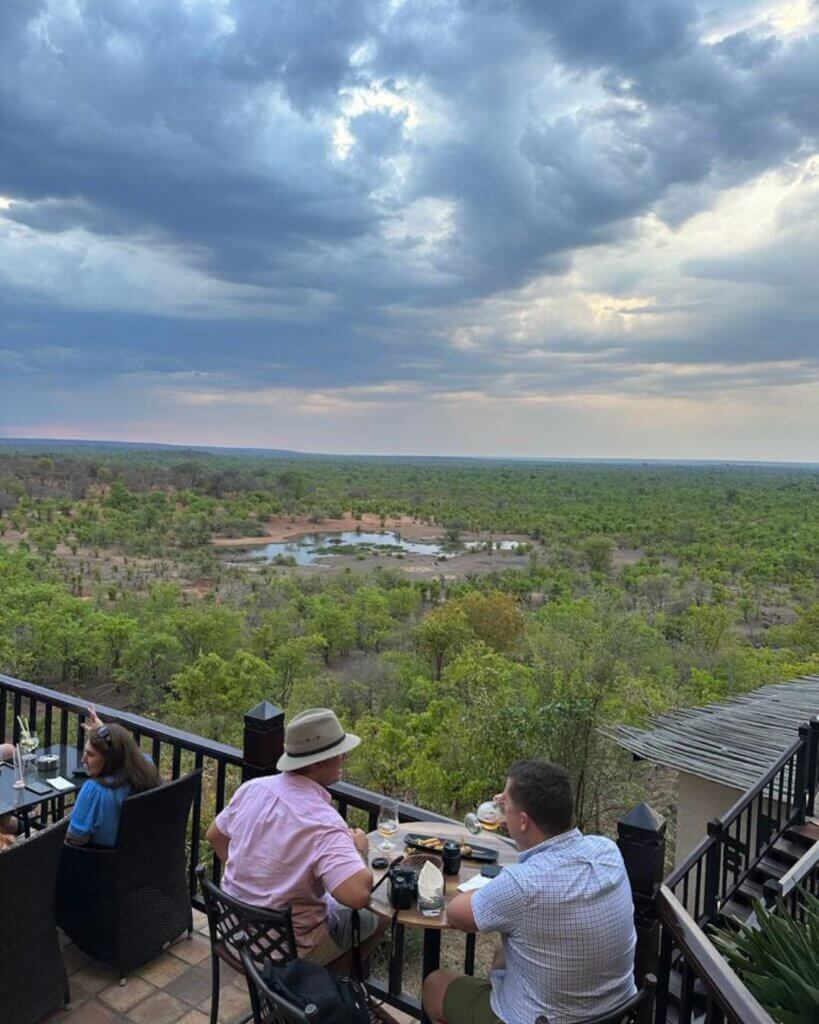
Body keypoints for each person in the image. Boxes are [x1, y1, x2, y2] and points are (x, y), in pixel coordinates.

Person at [423, 760, 637, 1024]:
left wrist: (491, 886)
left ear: (523, 822)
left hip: (543, 1020)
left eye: (506, 803)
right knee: (503, 953)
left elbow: (456, 913)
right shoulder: (607, 851)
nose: (499, 805)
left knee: (435, 985)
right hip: (616, 1014)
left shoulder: (523, 884)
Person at [206, 707, 388, 972]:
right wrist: (358, 851)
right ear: (317, 762)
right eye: (339, 752)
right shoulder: (323, 822)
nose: (344, 758)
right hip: (287, 949)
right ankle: (322, 991)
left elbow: (215, 836)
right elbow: (357, 895)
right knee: (377, 916)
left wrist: (254, 875)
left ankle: (308, 993)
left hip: (236, 929)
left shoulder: (253, 789)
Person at [66, 715, 160, 847]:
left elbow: (74, 839)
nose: (83, 759)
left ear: (111, 758)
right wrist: (104, 734)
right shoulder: (146, 767)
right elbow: (129, 752)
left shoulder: (94, 790)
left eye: (90, 754)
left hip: (98, 863)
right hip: (140, 855)